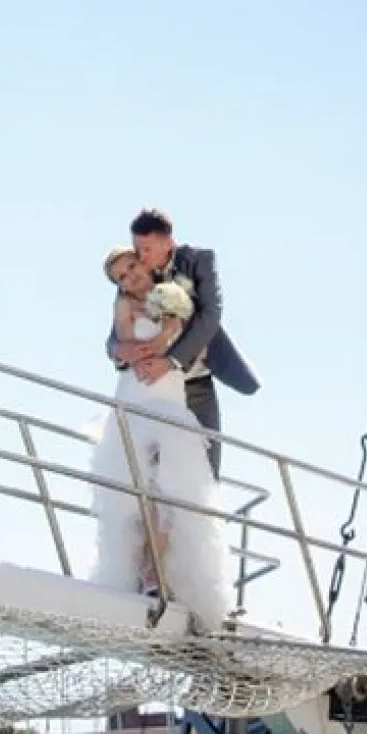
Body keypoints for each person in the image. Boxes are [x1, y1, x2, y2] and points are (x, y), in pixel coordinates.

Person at [87, 246, 232, 630]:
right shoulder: (122, 305)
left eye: (131, 267)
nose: (128, 278)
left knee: (171, 486)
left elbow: (183, 330)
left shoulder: (173, 293)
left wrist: (163, 340)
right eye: (120, 276)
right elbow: (119, 342)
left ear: (142, 262)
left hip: (167, 390)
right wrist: (137, 349)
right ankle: (139, 572)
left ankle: (159, 572)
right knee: (136, 484)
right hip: (137, 391)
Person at [106, 208, 258, 478]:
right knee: (150, 471)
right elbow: (114, 336)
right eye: (136, 249)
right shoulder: (132, 278)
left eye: (146, 249)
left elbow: (210, 315)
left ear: (168, 243)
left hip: (197, 381)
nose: (139, 257)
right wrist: (120, 350)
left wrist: (170, 361)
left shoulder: (198, 261)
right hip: (154, 388)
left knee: (206, 469)